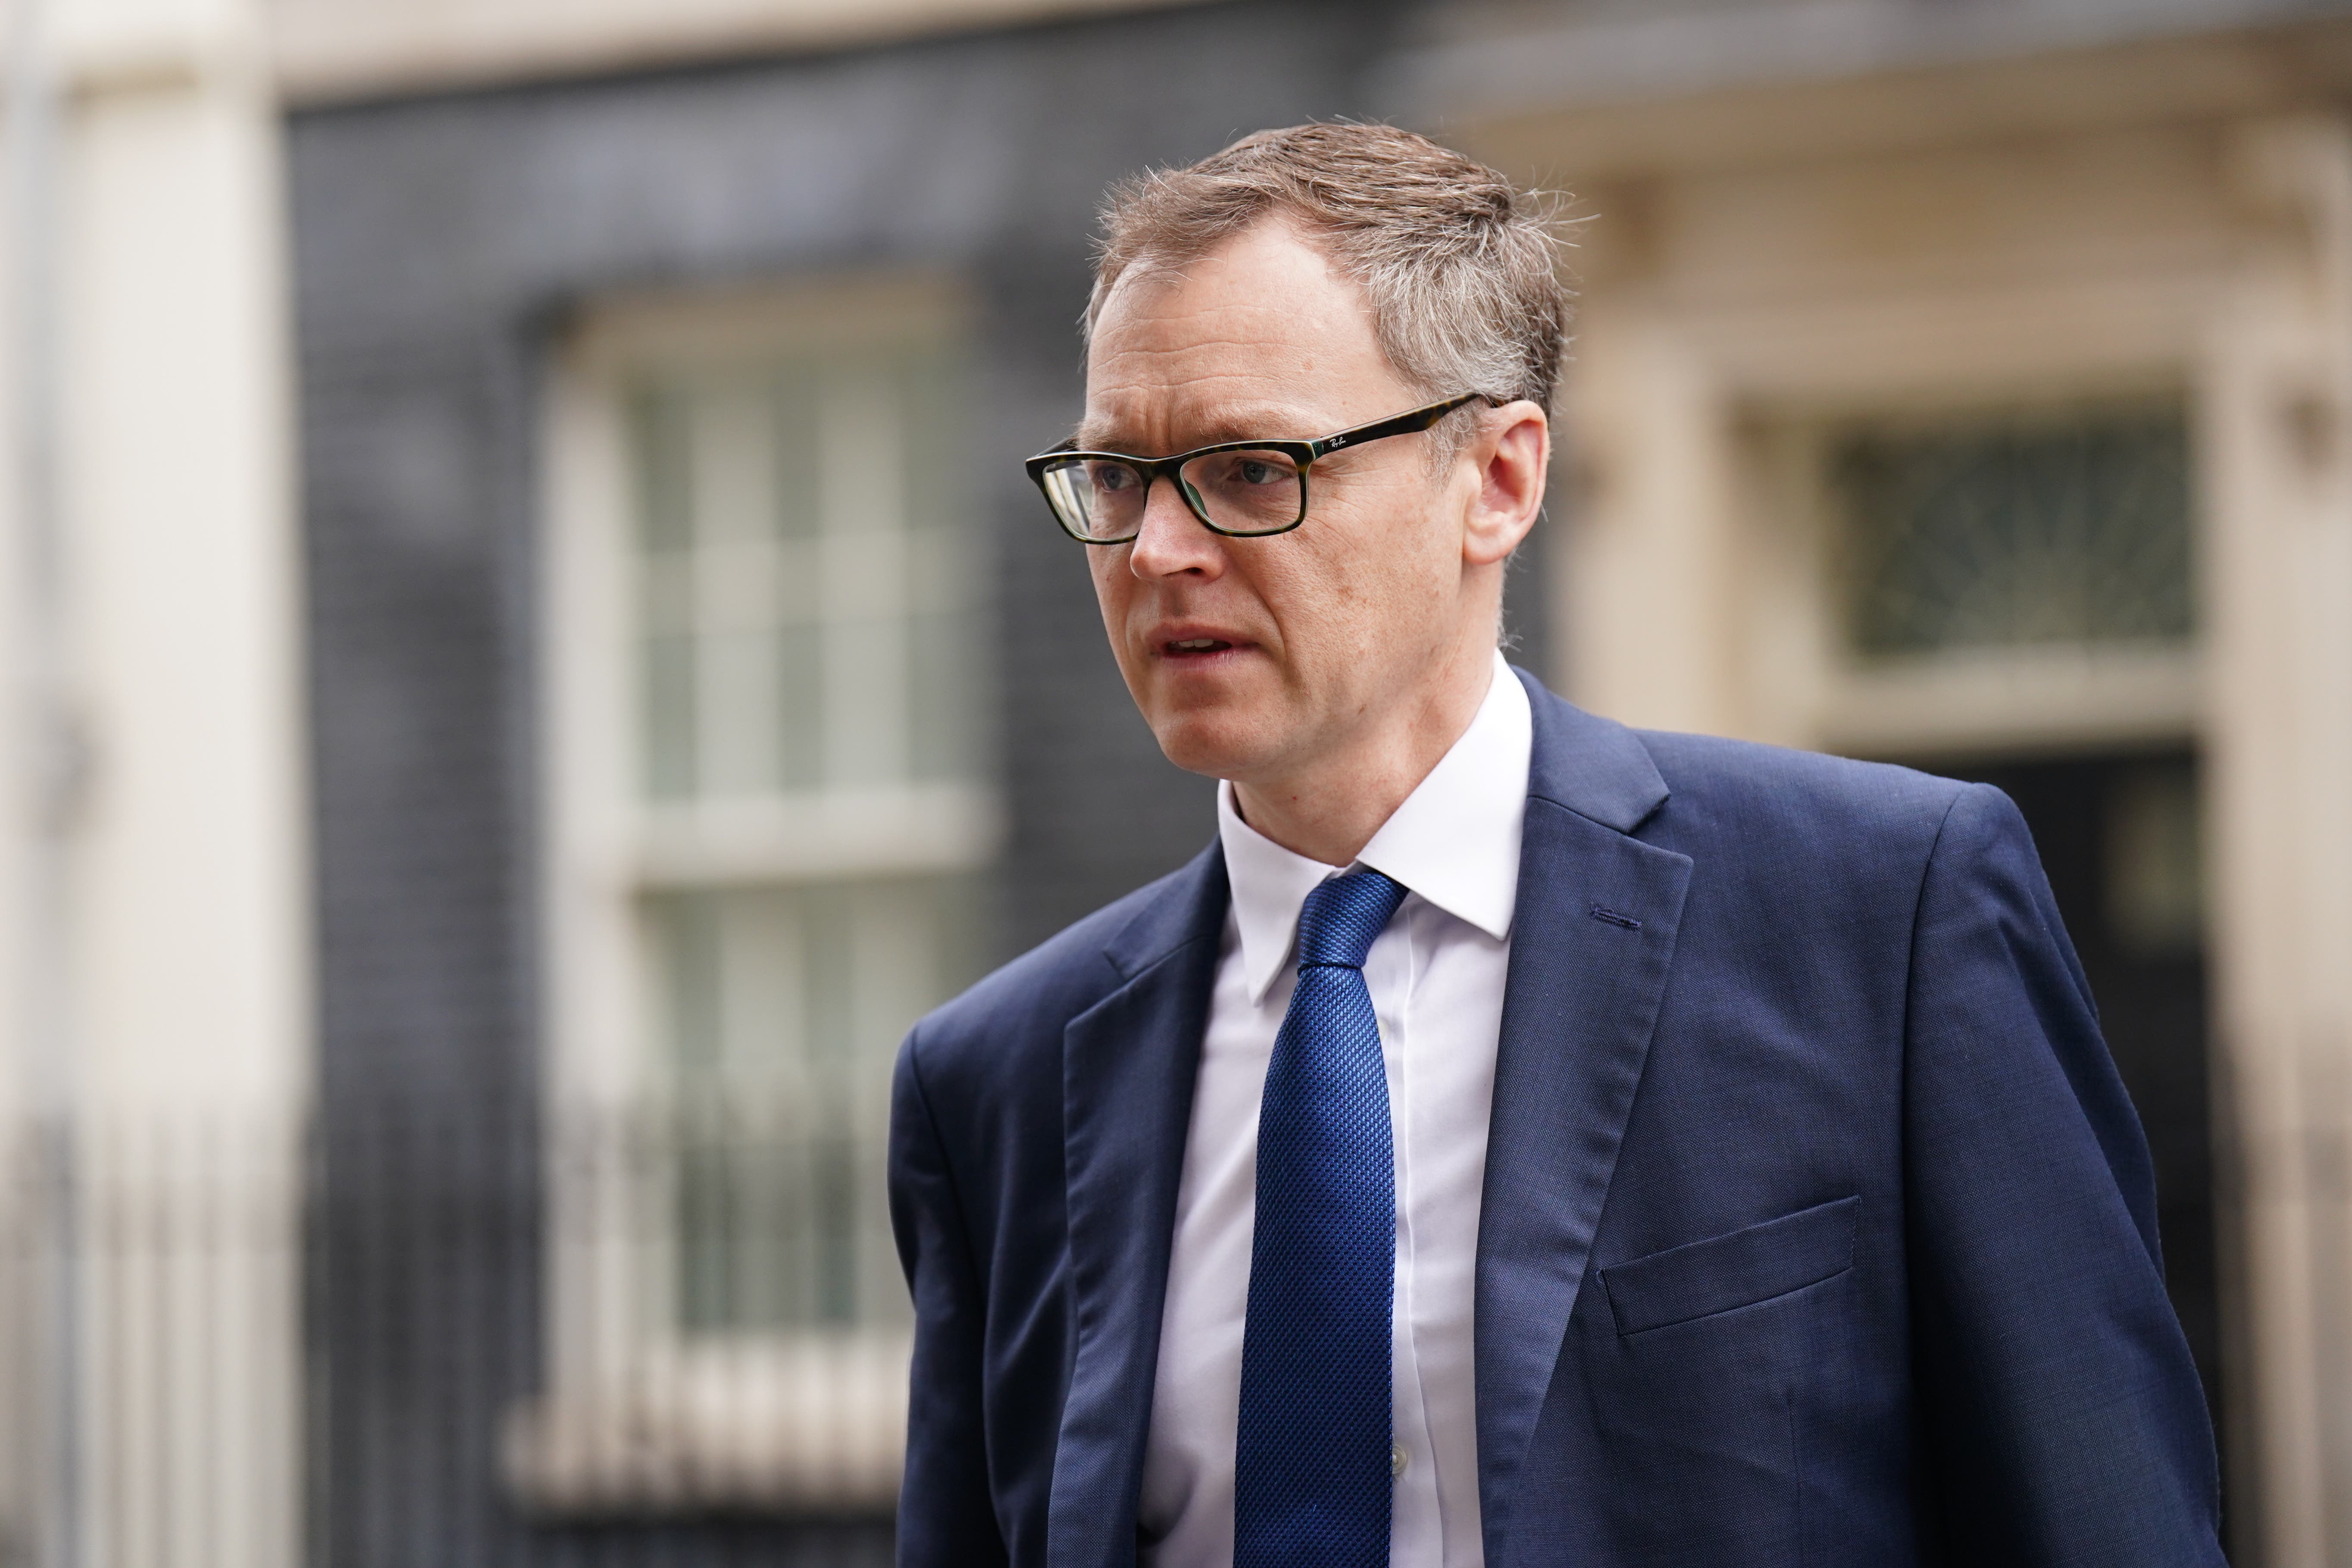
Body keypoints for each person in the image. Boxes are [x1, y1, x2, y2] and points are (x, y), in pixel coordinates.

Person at [888, 122, 2224, 1568]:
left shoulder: (1883, 914)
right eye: (1118, 477)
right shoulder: (997, 1083)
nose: (1155, 551)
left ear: (1500, 481)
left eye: (1251, 467)